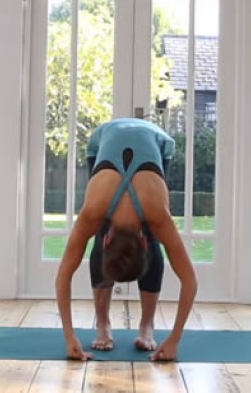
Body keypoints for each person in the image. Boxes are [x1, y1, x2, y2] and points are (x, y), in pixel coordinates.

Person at [55, 117, 198, 361]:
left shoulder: (156, 215)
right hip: (104, 137)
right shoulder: (95, 212)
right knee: (115, 225)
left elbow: (63, 275)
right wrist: (174, 340)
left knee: (152, 231)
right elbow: (190, 280)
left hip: (157, 140)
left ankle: (147, 325)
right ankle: (102, 324)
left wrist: (70, 337)